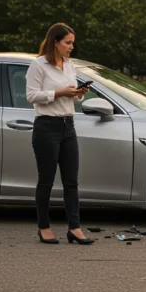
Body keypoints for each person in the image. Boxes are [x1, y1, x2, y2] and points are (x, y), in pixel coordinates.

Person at [25, 22, 94, 245]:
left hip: (68, 126)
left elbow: (71, 96)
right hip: (46, 127)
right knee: (46, 181)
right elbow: (31, 96)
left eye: (72, 43)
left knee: (71, 181)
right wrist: (59, 92)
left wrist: (79, 93)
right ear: (55, 42)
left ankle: (74, 227)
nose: (71, 47)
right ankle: (44, 227)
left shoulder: (69, 65)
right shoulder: (39, 65)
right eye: (68, 42)